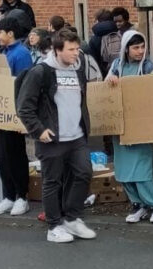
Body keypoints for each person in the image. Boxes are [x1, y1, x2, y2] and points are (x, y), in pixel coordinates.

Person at [16, 29, 95, 244]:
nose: (76, 53)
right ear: (57, 50)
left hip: (77, 136)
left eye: (77, 49)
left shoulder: (78, 69)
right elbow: (24, 107)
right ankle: (54, 225)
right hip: (52, 137)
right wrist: (38, 130)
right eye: (71, 50)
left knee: (83, 173)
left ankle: (72, 217)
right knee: (52, 181)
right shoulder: (41, 72)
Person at [104, 30, 153, 224]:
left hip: (141, 127)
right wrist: (111, 82)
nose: (140, 51)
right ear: (126, 49)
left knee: (141, 170)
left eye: (142, 47)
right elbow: (106, 87)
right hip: (122, 126)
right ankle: (138, 204)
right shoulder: (117, 66)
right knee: (124, 171)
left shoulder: (149, 66)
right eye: (135, 48)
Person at [0, 17, 34, 216]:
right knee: (2, 155)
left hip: (14, 111)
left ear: (10, 33)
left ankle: (21, 196)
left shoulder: (21, 54)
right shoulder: (4, 53)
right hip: (2, 110)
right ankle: (8, 195)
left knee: (15, 155)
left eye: (0, 32)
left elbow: (24, 83)